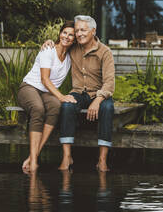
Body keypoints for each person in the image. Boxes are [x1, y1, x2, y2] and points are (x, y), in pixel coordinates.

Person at [43, 15, 115, 172]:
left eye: (83, 30)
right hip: (78, 92)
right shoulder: (73, 47)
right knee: (67, 105)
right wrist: (49, 42)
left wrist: (98, 100)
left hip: (100, 93)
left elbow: (110, 82)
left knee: (107, 109)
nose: (79, 34)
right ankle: (67, 156)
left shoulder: (105, 52)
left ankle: (102, 159)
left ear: (93, 31)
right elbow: (61, 44)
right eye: (77, 31)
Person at [17, 20, 76, 173]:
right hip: (29, 87)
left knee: (56, 107)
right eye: (64, 33)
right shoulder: (48, 50)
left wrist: (59, 99)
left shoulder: (70, 57)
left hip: (46, 92)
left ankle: (33, 155)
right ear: (59, 33)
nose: (67, 37)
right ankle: (35, 162)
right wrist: (62, 96)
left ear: (75, 39)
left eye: (71, 35)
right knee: (38, 108)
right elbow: (44, 79)